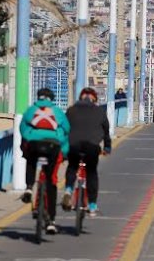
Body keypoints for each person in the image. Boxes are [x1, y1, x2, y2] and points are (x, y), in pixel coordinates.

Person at [19, 88, 70, 234]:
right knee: (51, 182)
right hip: (52, 145)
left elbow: (22, 127)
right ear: (51, 98)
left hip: (34, 144)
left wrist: (28, 140)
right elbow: (66, 129)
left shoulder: (31, 109)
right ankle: (52, 222)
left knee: (30, 162)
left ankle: (29, 188)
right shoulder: (57, 111)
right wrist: (63, 149)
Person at [62, 87, 111, 217]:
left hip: (74, 145)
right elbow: (106, 130)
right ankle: (93, 205)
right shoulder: (100, 111)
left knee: (72, 167)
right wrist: (107, 147)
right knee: (91, 173)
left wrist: (63, 148)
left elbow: (64, 129)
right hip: (92, 146)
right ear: (94, 99)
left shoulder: (71, 110)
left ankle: (68, 189)